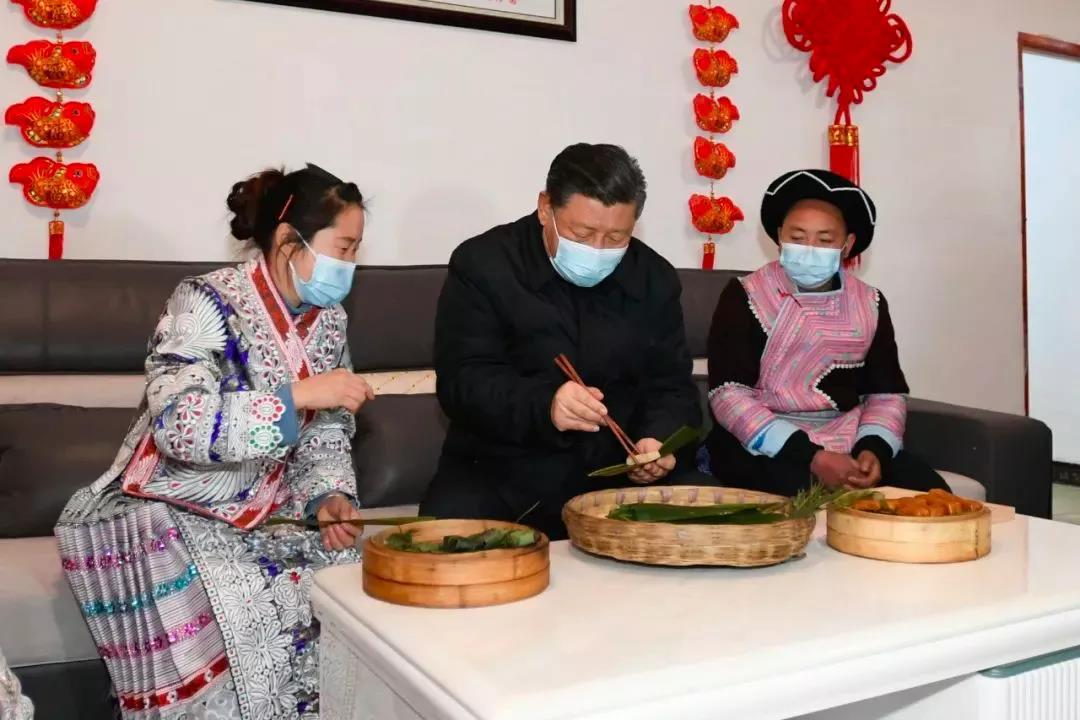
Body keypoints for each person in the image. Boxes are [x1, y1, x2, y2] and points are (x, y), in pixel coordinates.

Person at [55, 164, 374, 718]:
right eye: (343, 248)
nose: (349, 265)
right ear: (288, 240)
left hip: (269, 500)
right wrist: (294, 396)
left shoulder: (330, 322)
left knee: (345, 566)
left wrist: (327, 497)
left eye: (356, 251)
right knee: (240, 588)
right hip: (173, 496)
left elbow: (327, 427)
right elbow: (178, 423)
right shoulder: (203, 300)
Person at [420, 143, 713, 540]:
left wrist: (658, 440)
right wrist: (546, 405)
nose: (598, 250)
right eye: (582, 233)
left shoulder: (653, 278)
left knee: (708, 526)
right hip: (500, 471)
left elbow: (672, 385)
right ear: (546, 208)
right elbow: (464, 382)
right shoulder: (484, 264)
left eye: (616, 237)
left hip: (616, 476)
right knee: (445, 542)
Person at [705, 169, 949, 496]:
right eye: (797, 237)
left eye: (824, 240)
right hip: (762, 442)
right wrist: (811, 456)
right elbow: (728, 393)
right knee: (808, 497)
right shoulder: (745, 295)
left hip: (848, 438)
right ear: (779, 237)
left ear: (847, 245)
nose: (809, 249)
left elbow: (885, 393)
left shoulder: (869, 302)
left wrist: (873, 450)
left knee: (930, 493)